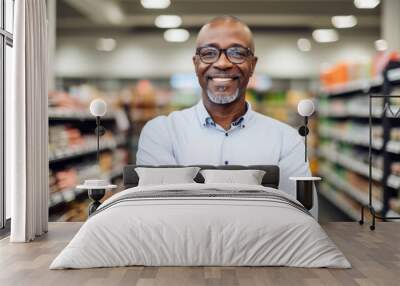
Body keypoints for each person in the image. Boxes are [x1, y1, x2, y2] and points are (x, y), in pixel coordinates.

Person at [136, 16, 318, 218]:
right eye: (209, 53)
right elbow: (156, 215)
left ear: (252, 65)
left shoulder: (286, 139)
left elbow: (301, 217)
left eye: (237, 53)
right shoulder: (161, 133)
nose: (222, 63)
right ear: (196, 64)